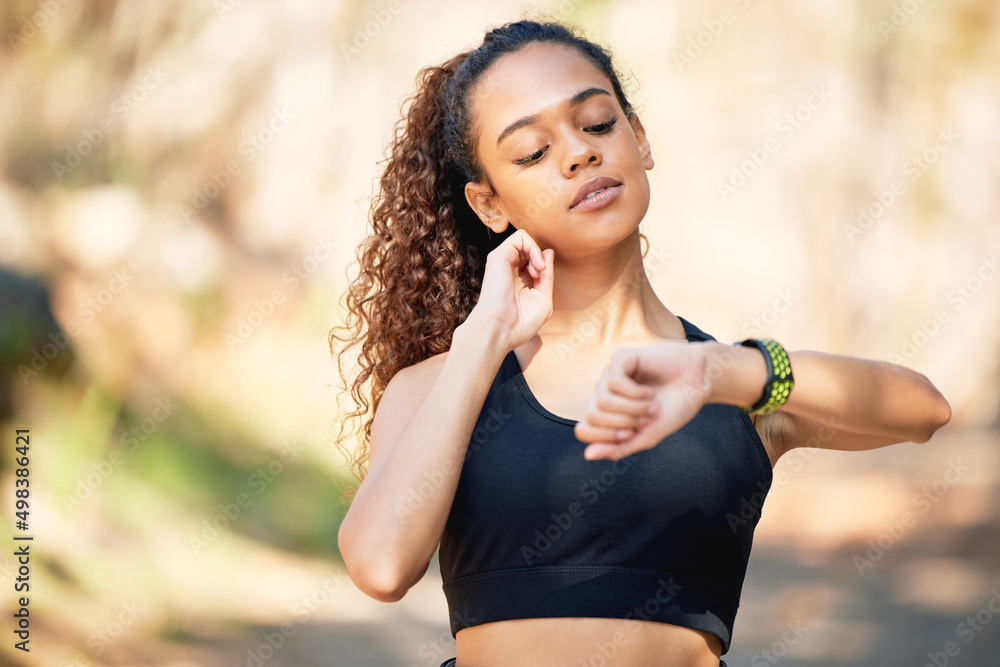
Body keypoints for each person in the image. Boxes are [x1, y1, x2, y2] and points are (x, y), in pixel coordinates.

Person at [332, 19, 952, 667]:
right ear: (489, 205)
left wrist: (725, 369)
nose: (578, 153)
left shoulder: (729, 381)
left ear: (640, 138)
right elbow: (379, 565)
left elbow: (924, 411)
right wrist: (481, 339)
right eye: (532, 152)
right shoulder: (442, 383)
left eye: (597, 122)